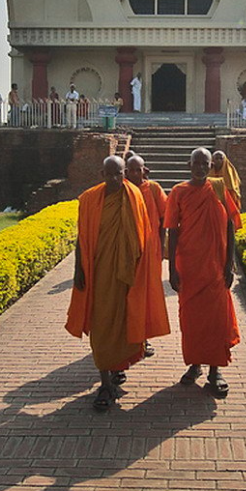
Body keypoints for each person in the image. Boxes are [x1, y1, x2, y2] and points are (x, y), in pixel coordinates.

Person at [66, 156, 155, 410]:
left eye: (119, 174)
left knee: (126, 324)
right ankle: (104, 382)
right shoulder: (89, 200)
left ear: (125, 173)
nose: (115, 179)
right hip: (99, 276)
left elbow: (144, 236)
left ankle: (117, 370)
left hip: (127, 275)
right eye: (111, 174)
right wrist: (78, 269)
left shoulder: (135, 196)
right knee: (102, 325)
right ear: (101, 173)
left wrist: (142, 271)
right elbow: (82, 238)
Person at [165, 148, 242, 398]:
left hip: (215, 268)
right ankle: (195, 365)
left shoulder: (219, 188)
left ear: (210, 167)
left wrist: (229, 264)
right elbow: (173, 231)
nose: (200, 168)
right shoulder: (178, 192)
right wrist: (171, 269)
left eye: (204, 164)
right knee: (192, 320)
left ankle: (214, 371)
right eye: (196, 163)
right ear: (189, 165)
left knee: (216, 320)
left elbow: (230, 226)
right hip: (189, 267)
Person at [125, 153, 170, 357]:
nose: (135, 173)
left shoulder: (153, 189)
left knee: (147, 296)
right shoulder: (122, 189)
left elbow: (164, 218)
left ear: (145, 170)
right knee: (128, 295)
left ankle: (144, 338)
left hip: (150, 251)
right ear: (125, 172)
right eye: (131, 170)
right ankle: (128, 337)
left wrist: (160, 245)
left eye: (138, 169)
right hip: (126, 252)